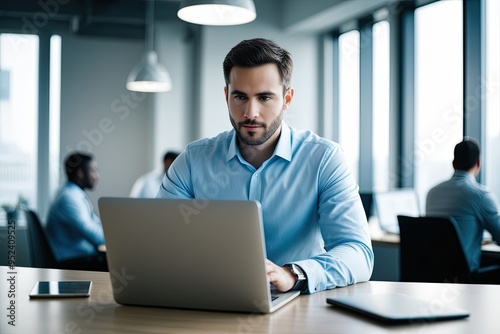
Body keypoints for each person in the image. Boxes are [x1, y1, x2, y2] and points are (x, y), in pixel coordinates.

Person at [157, 38, 373, 293]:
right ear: (226, 96)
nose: (250, 112)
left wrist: (292, 274)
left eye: (264, 97)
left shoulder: (325, 159)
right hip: (210, 299)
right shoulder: (193, 161)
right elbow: (159, 242)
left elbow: (358, 253)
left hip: (298, 304)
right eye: (240, 96)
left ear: (287, 98)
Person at [426, 139, 500, 272]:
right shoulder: (481, 195)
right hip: (464, 275)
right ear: (478, 163)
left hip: (433, 273)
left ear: (453, 164)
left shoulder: (432, 192)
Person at [46, 152, 107, 271]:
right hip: (72, 262)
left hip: (78, 258)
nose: (97, 175)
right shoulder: (69, 198)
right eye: (93, 170)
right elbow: (94, 235)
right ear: (80, 173)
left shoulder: (72, 193)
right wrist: (119, 239)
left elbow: (95, 223)